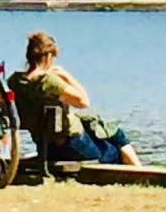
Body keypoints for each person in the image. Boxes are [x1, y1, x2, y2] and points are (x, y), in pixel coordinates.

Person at [10, 31, 140, 165]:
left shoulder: (14, 81)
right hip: (70, 144)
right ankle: (140, 172)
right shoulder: (49, 81)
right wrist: (66, 75)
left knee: (106, 130)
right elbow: (83, 102)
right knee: (116, 146)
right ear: (48, 56)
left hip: (45, 146)